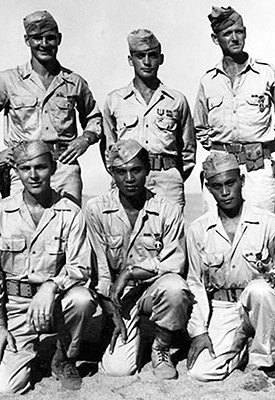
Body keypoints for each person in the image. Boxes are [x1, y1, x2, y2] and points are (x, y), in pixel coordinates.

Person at [0, 141, 97, 394]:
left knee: (82, 300)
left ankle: (63, 358)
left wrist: (53, 285)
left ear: (52, 168)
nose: (33, 175)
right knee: (5, 387)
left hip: (56, 304)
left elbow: (81, 267)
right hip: (16, 309)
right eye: (25, 168)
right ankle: (27, 354)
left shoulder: (70, 213)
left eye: (40, 167)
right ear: (16, 172)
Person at [186, 152, 275, 390]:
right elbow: (194, 282)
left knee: (260, 290)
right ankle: (244, 343)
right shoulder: (198, 230)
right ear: (208, 188)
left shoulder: (267, 222)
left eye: (230, 183)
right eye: (217, 186)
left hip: (258, 303)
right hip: (223, 307)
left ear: (242, 182)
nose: (225, 192)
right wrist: (199, 331)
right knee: (202, 372)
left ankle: (268, 362)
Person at [0, 10, 102, 205]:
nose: (44, 44)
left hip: (64, 168)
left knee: (69, 227)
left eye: (50, 38)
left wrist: (85, 139)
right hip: (25, 168)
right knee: (22, 227)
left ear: (59, 39)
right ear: (27, 40)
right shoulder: (8, 80)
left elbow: (94, 117)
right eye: (37, 38)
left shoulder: (74, 82)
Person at [85, 139, 192, 379]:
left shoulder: (167, 209)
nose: (129, 178)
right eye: (121, 172)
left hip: (152, 289)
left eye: (136, 170)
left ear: (147, 171)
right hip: (118, 295)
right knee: (118, 370)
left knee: (175, 287)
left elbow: (174, 262)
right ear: (112, 173)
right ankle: (117, 331)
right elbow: (100, 268)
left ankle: (161, 347)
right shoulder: (95, 209)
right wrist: (110, 311)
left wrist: (132, 271)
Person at [194, 6, 275, 213]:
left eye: (239, 32)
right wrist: (219, 151)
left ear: (245, 33)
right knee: (218, 235)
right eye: (227, 34)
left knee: (262, 231)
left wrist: (267, 148)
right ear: (216, 39)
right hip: (220, 170)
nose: (235, 38)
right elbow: (199, 125)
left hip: (257, 171)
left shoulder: (266, 73)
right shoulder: (208, 81)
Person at [102, 29, 196, 208]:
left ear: (161, 59)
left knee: (170, 233)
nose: (146, 62)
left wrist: (173, 175)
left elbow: (188, 150)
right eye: (140, 56)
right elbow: (108, 148)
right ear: (131, 60)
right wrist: (121, 174)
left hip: (166, 181)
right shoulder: (114, 100)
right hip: (128, 180)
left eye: (152, 55)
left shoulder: (176, 100)